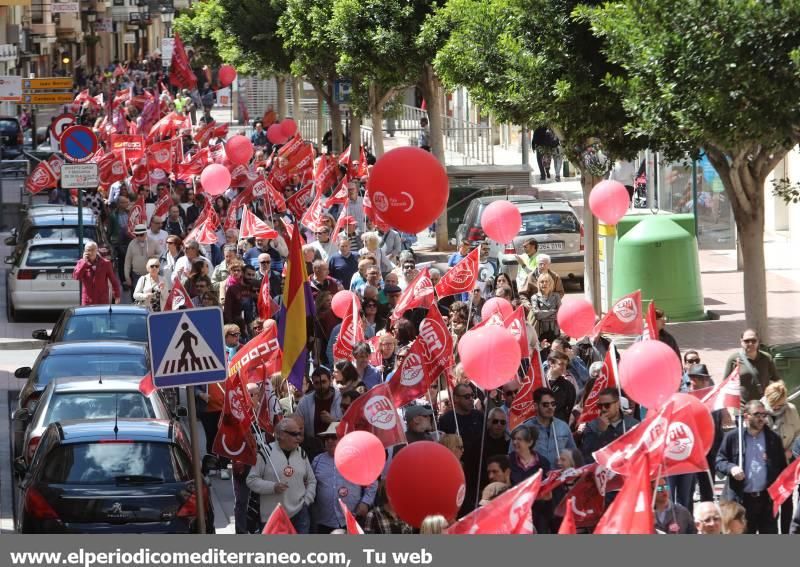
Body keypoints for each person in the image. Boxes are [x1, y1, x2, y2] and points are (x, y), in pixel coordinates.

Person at [716, 399, 787, 533]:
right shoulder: (733, 437)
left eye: (764, 414)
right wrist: (731, 468)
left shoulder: (773, 439)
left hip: (766, 501)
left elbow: (782, 469)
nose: (761, 418)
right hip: (741, 500)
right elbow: (720, 461)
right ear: (746, 416)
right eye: (757, 414)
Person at [246, 418, 316, 534]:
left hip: (299, 513)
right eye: (294, 434)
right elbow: (251, 480)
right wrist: (272, 487)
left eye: (299, 433)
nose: (299, 437)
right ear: (281, 435)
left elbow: (312, 480)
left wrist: (307, 500)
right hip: (272, 516)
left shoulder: (302, 453)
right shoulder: (265, 453)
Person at [311, 422, 376, 533]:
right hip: (324, 520)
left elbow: (372, 482)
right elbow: (310, 483)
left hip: (352, 517)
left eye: (334, 437)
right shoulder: (317, 460)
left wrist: (365, 502)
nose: (329, 441)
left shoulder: (358, 459)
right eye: (327, 438)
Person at [439, 383, 485, 515]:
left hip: (480, 471)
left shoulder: (479, 416)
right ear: (456, 399)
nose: (471, 399)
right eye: (467, 396)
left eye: (472, 395)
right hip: (458, 473)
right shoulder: (446, 420)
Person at [761, 380, 800, 533]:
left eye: (780, 405)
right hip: (767, 462)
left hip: (786, 461)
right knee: (770, 499)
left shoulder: (791, 409)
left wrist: (790, 450)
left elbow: (798, 432)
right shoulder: (759, 409)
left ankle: (786, 532)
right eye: (774, 405)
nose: (777, 408)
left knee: (787, 499)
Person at [522, 388, 577, 468]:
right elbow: (515, 460)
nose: (550, 407)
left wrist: (567, 462)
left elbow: (574, 455)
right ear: (536, 406)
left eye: (553, 404)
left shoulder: (563, 427)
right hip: (537, 478)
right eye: (546, 405)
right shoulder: (525, 430)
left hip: (559, 477)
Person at [581, 388, 638, 463]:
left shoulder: (633, 424)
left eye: (607, 405)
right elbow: (587, 454)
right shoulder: (592, 425)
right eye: (600, 406)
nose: (603, 409)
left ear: (617, 404)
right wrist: (601, 431)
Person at [725, 328, 780, 402]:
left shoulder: (766, 358)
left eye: (753, 341)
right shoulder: (733, 359)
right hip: (743, 407)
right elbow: (725, 384)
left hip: (763, 406)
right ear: (741, 341)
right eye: (746, 341)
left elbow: (776, 379)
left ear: (758, 341)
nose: (750, 344)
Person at [297, 367, 343, 447]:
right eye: (317, 383)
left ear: (330, 380)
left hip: (338, 446)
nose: (321, 386)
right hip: (314, 449)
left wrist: (333, 421)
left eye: (324, 382)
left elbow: (349, 426)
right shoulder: (304, 402)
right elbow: (297, 424)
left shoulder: (342, 399)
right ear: (313, 383)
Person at [72, 241, 122, 306]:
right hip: (88, 301)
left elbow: (113, 280)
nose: (90, 252)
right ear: (85, 251)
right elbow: (76, 276)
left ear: (97, 250)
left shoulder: (106, 263)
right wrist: (84, 263)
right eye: (88, 250)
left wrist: (117, 295)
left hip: (102, 301)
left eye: (93, 250)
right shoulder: (81, 263)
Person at [124, 224, 161, 295]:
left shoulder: (153, 242)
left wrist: (154, 256)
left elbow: (161, 256)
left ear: (146, 234)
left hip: (151, 275)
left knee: (151, 298)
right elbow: (127, 261)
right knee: (137, 298)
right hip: (136, 276)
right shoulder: (132, 244)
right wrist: (127, 276)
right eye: (137, 235)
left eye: (141, 235)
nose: (139, 237)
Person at [542, 351, 576, 424]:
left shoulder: (568, 386)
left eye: (566, 365)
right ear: (551, 363)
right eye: (561, 364)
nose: (564, 367)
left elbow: (570, 408)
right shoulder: (540, 382)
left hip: (558, 425)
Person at [531, 273, 561, 343]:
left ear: (550, 283)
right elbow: (537, 315)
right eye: (542, 282)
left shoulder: (556, 296)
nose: (544, 284)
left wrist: (544, 315)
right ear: (538, 284)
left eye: (546, 281)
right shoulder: (534, 297)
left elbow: (560, 313)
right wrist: (553, 311)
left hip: (555, 330)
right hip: (541, 332)